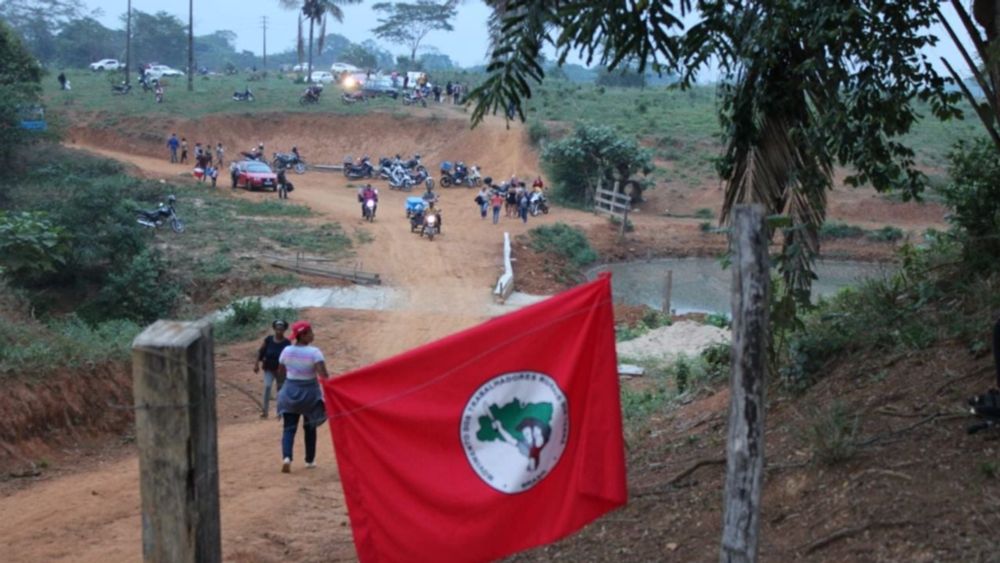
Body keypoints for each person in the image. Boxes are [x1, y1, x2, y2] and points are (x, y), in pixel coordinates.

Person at [277, 321, 329, 473]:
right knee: (310, 428)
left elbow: (281, 371)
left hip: (289, 392)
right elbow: (323, 374)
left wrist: (283, 388)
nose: (313, 335)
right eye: (311, 332)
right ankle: (310, 460)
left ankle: (287, 457)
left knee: (289, 428)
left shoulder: (286, 350)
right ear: (303, 335)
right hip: (309, 395)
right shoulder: (314, 353)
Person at [254, 320, 292, 418]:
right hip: (269, 369)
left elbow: (290, 356)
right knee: (267, 387)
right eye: (277, 329)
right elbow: (260, 351)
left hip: (281, 370)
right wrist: (256, 364)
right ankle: (264, 411)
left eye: (281, 329)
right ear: (274, 329)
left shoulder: (287, 342)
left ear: (284, 330)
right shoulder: (269, 339)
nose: (279, 331)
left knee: (280, 391)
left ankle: (280, 412)